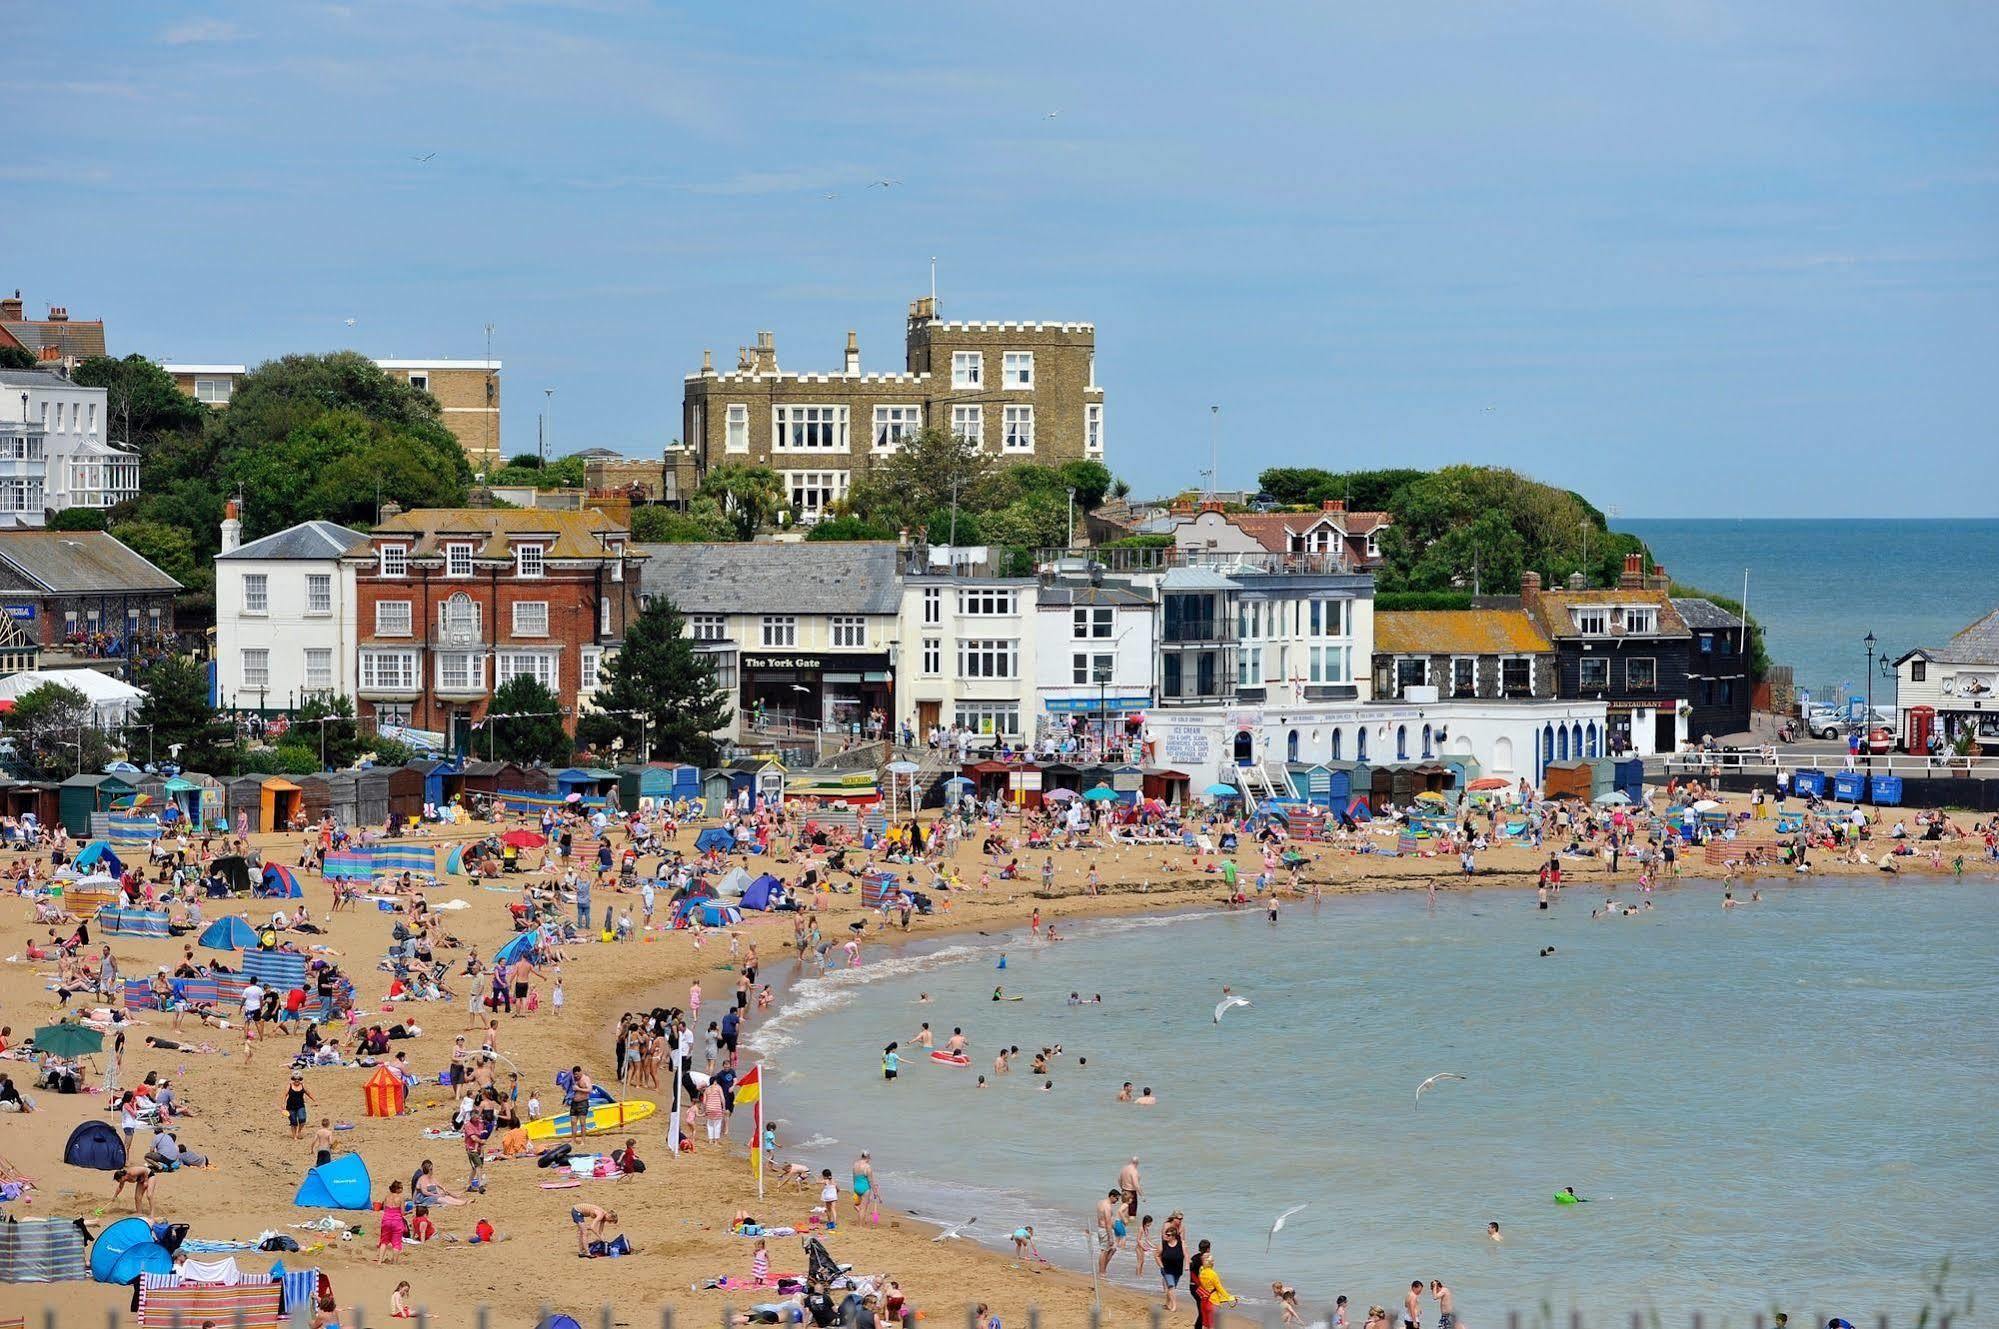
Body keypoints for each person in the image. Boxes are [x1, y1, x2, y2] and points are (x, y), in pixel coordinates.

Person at [852, 1150, 879, 1224]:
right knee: (863, 1208)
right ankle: (860, 1225)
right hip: (865, 1188)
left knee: (860, 1207)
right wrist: (875, 1192)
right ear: (868, 1157)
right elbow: (870, 1181)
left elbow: (854, 1177)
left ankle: (861, 1222)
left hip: (856, 1186)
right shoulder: (867, 1167)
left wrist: (855, 1188)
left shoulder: (855, 1164)